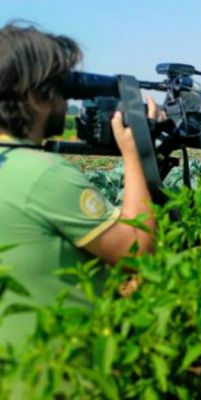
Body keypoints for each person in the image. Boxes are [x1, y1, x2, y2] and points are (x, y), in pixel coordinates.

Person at [0, 23, 155, 350]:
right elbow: (138, 252)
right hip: (56, 376)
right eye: (60, 88)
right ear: (34, 95)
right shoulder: (43, 177)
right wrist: (136, 152)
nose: (66, 100)